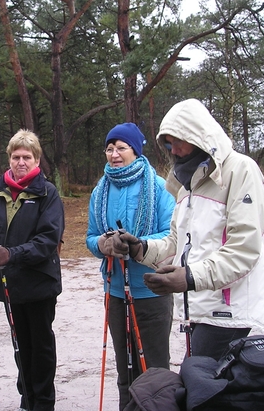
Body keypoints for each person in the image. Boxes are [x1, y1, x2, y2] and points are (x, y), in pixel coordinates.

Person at [113, 99, 264, 360]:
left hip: (228, 312)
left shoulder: (240, 170)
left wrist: (189, 277)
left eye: (179, 141)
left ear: (199, 135)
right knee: (202, 390)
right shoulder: (187, 184)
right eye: (169, 143)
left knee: (200, 392)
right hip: (196, 309)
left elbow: (245, 249)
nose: (175, 149)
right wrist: (140, 248)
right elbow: (177, 244)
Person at [86, 123, 176, 410]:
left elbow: (171, 236)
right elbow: (90, 237)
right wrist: (104, 244)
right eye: (110, 148)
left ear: (135, 152)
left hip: (152, 290)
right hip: (115, 291)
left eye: (121, 148)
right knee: (124, 367)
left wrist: (136, 244)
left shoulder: (160, 186)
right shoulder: (100, 191)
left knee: (154, 368)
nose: (114, 154)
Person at [0, 129, 65, 411]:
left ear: (37, 160)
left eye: (27, 156)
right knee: (20, 344)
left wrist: (12, 254)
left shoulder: (47, 193)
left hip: (39, 284)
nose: (20, 162)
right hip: (8, 284)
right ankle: (27, 399)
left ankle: (44, 402)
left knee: (41, 346)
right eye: (16, 156)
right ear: (9, 159)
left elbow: (48, 240)